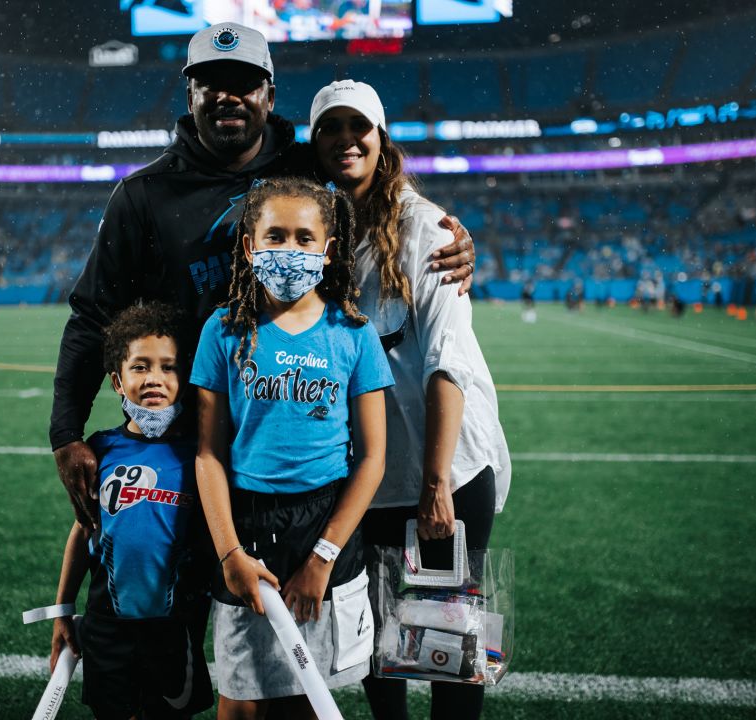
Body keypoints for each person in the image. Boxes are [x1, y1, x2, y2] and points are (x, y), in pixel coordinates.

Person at [51, 20, 474, 540]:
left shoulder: (306, 167)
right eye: (211, 84)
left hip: (293, 439)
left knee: (298, 605)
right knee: (175, 602)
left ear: (269, 96)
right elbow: (94, 313)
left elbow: (377, 181)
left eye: (245, 84)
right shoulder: (143, 195)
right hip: (186, 437)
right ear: (191, 94)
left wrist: (439, 230)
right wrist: (65, 432)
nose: (228, 97)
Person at [308, 79, 511, 720]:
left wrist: (435, 484)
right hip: (365, 474)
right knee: (369, 640)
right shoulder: (318, 234)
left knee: (448, 648)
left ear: (381, 137)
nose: (345, 140)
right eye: (330, 129)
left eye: (357, 127)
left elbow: (447, 362)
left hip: (441, 470)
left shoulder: (427, 229)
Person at [190, 177, 393, 717]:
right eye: (274, 236)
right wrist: (230, 554)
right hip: (246, 524)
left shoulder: (352, 332)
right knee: (240, 701)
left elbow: (372, 457)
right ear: (250, 246)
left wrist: (324, 557)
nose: (289, 250)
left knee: (314, 699)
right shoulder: (222, 330)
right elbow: (208, 453)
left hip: (325, 526)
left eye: (304, 238)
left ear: (328, 252)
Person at [47, 301, 214, 720]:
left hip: (175, 632)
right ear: (117, 381)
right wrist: (63, 609)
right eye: (140, 367)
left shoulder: (200, 456)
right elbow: (83, 530)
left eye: (168, 367)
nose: (154, 379)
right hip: (106, 631)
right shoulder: (99, 449)